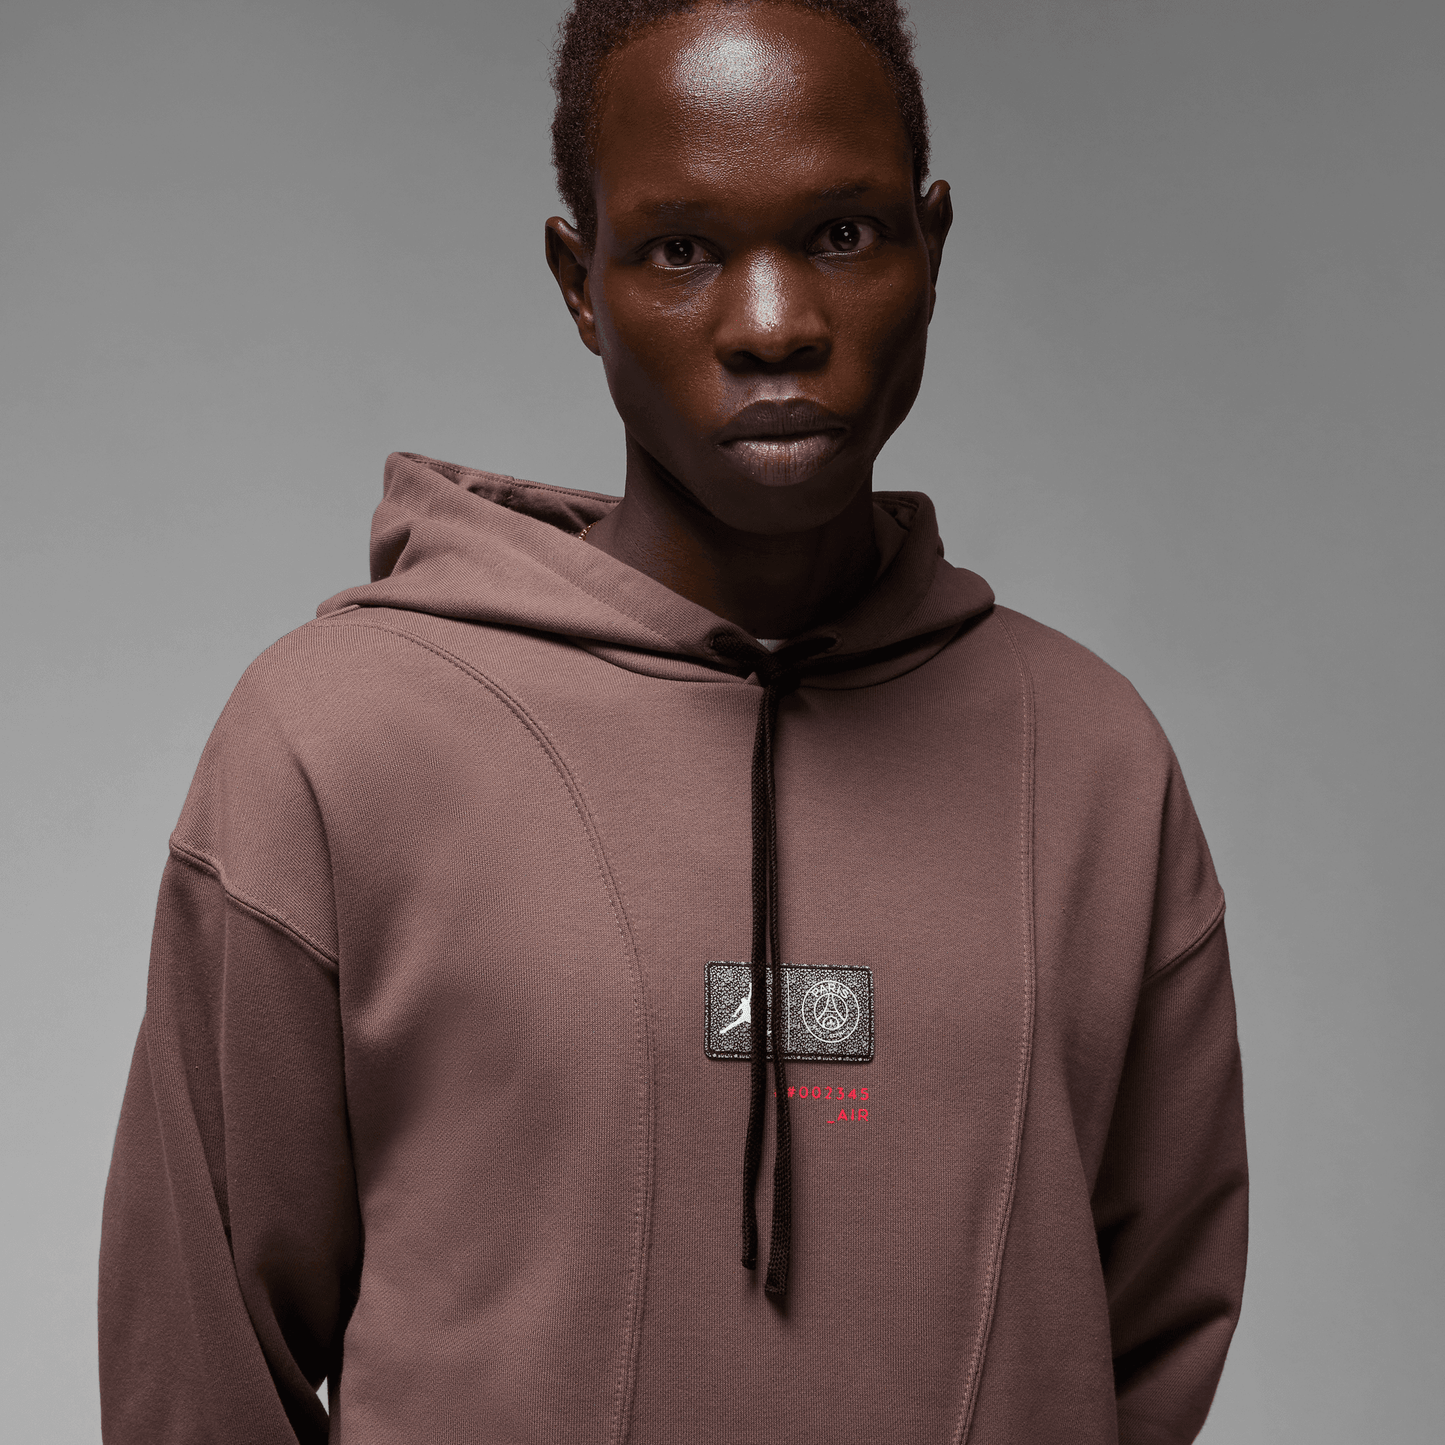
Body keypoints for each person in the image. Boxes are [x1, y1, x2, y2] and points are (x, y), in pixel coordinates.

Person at [98, 0, 1248, 1441]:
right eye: (683, 250)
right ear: (580, 283)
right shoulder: (338, 741)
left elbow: (1143, 1338)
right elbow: (196, 1366)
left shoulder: (1092, 764)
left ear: (932, 246)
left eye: (842, 234)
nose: (776, 325)